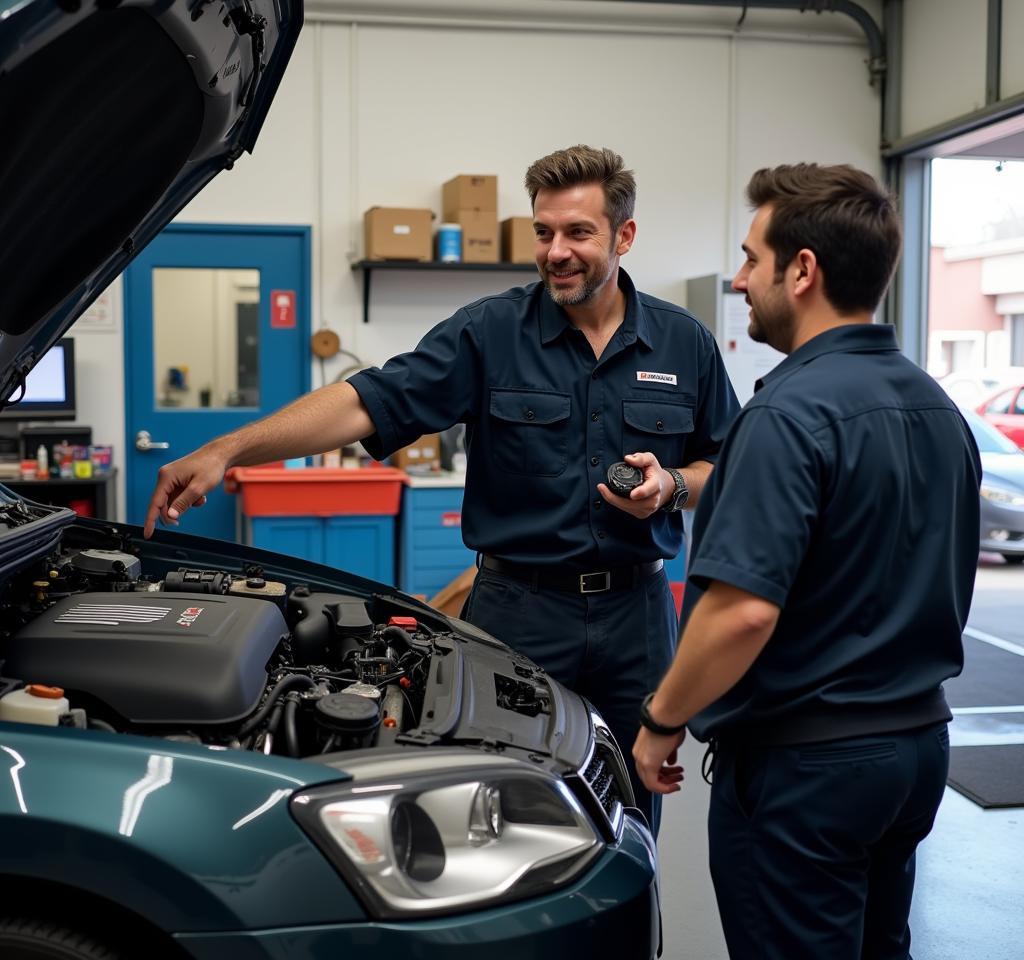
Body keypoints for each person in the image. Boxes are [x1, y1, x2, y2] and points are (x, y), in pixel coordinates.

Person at [144, 144, 739, 834]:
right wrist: (230, 447)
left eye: (578, 233)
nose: (556, 252)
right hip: (519, 612)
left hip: (637, 614)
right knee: (506, 806)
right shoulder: (489, 332)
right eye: (543, 232)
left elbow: (722, 467)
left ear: (624, 236)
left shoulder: (684, 344)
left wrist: (671, 487)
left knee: (632, 805)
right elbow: (366, 401)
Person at [632, 163, 982, 958]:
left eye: (752, 257)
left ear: (803, 270)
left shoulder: (786, 415)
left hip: (808, 767)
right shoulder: (939, 408)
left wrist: (661, 722)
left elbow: (743, 609)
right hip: (917, 750)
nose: (739, 276)